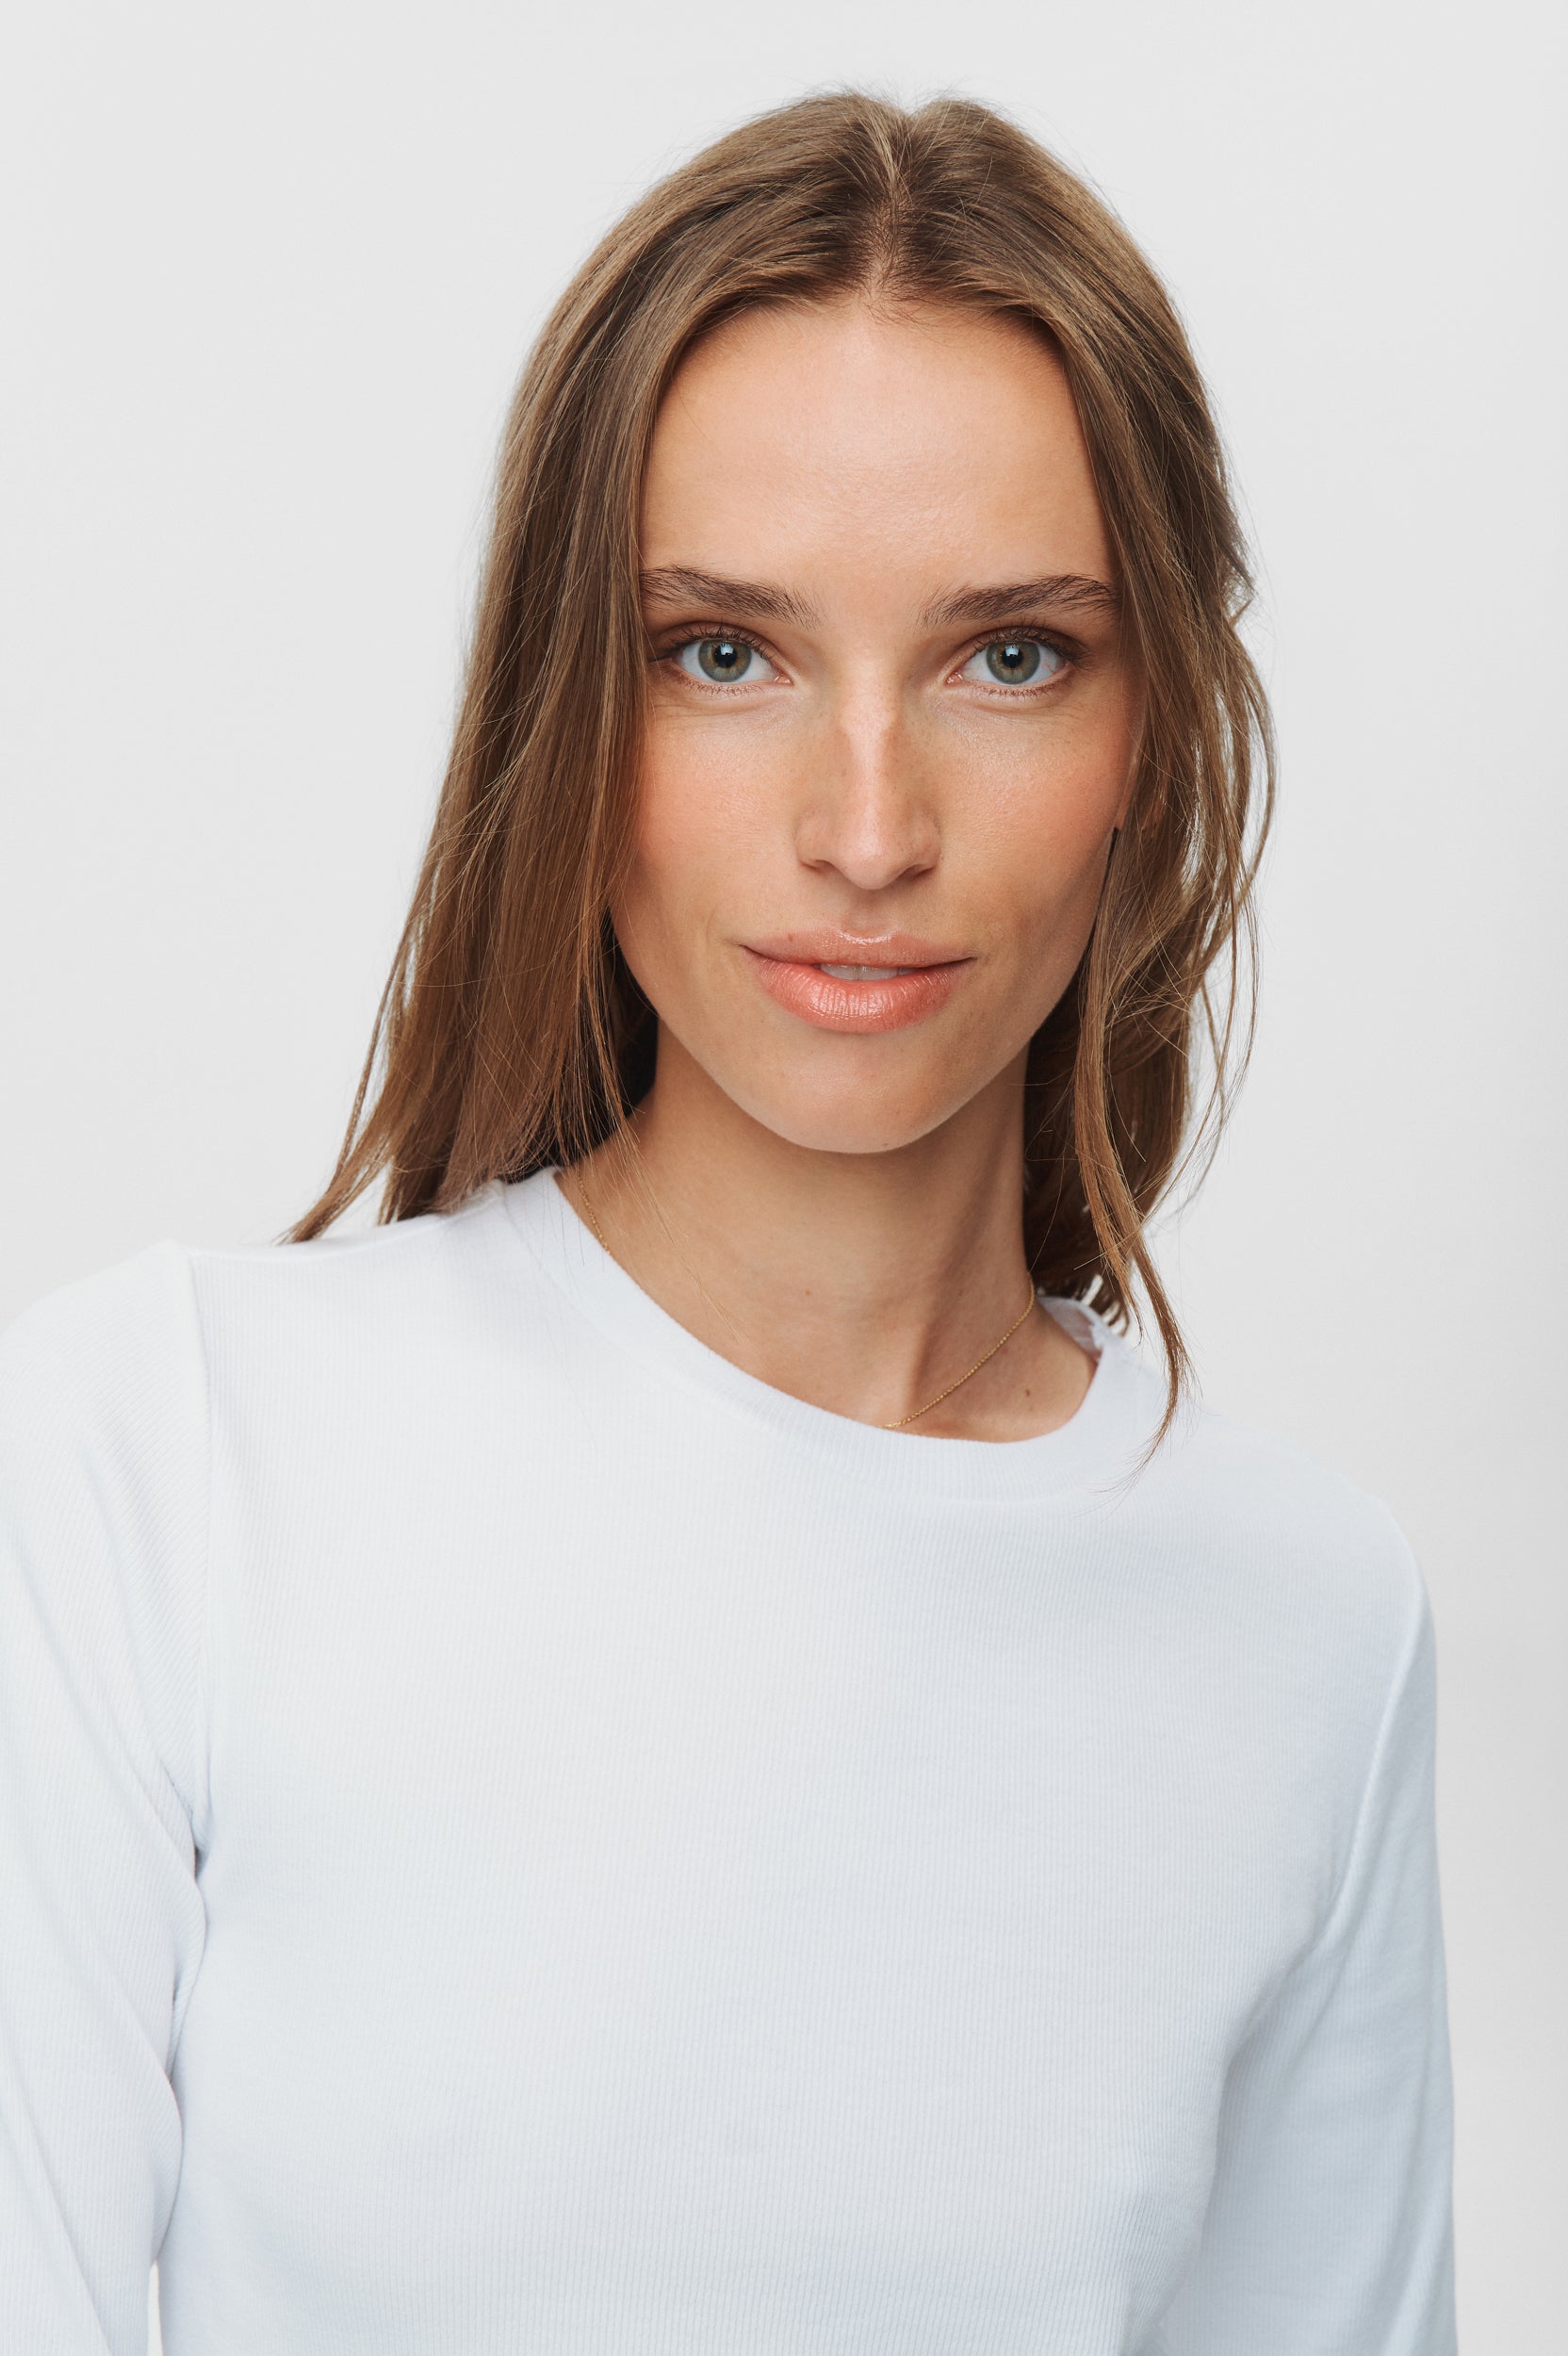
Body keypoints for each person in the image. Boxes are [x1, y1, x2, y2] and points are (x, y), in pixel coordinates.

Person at [0, 91, 1455, 2355]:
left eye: (1008, 655)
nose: (862, 826)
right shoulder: (156, 1457)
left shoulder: (1301, 1625)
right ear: (565, 704)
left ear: (1154, 733)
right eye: (721, 650)